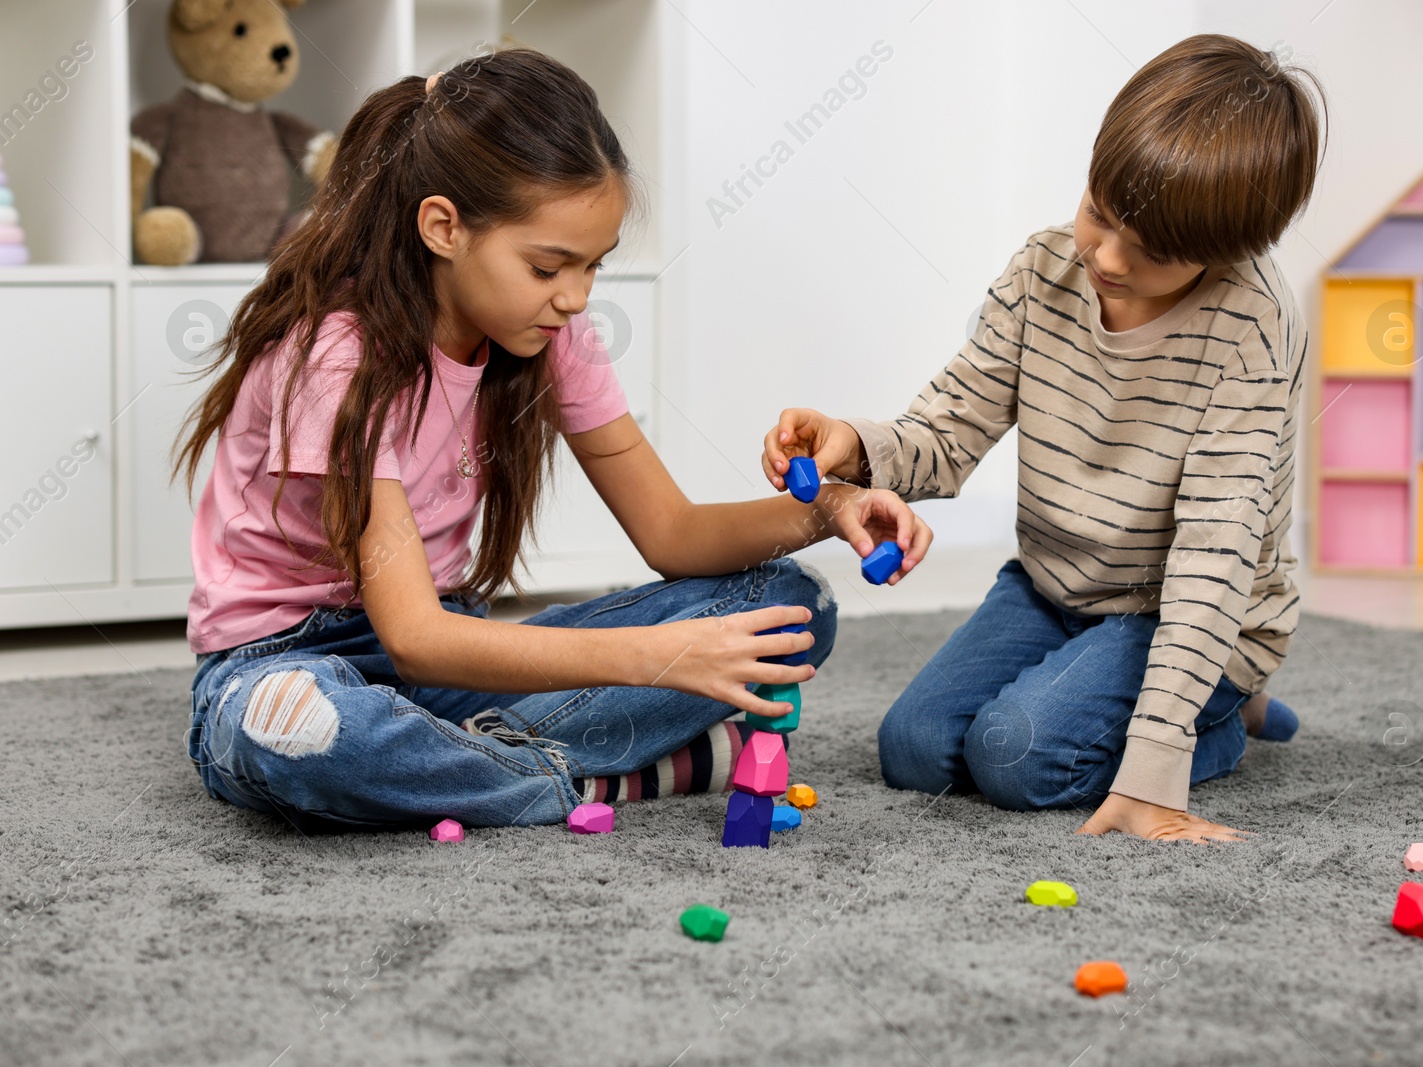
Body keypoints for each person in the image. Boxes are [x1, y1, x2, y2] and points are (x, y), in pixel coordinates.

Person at [176, 48, 931, 832]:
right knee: (304, 729)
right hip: (287, 660)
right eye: (547, 267)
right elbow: (412, 638)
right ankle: (590, 779)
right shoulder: (339, 359)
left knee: (789, 605)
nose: (574, 297)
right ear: (443, 227)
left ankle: (470, 765)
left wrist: (831, 508)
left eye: (592, 268)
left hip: (448, 661)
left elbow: (672, 533)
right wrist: (661, 657)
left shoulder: (550, 333)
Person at [761, 35, 1325, 843]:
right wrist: (849, 442)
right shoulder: (1042, 271)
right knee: (914, 748)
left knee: (1015, 756)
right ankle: (1181, 701)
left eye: (1152, 251)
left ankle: (1214, 713)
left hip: (1184, 614)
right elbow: (948, 430)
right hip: (1054, 586)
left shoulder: (1253, 329)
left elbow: (1211, 558)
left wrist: (1155, 766)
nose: (1105, 255)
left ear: (1226, 251)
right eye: (1099, 209)